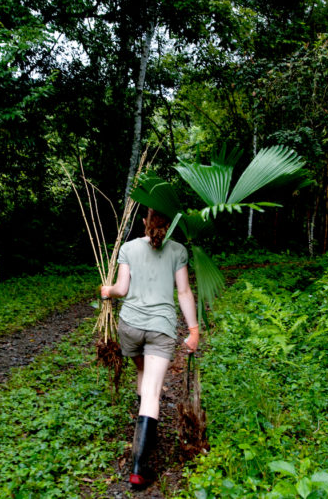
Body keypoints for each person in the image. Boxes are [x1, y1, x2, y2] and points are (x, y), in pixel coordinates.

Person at [100, 207, 199, 489]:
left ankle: (143, 414)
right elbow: (183, 292)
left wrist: (107, 291)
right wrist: (193, 330)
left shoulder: (128, 248)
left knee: (142, 371)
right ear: (168, 224)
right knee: (153, 391)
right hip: (160, 328)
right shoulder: (178, 250)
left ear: (144, 222)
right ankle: (139, 469)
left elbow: (120, 289)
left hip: (129, 327)